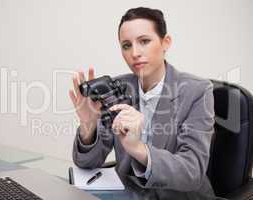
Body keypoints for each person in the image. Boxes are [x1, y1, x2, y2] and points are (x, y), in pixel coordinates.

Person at [69, 7, 215, 194]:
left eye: (144, 41)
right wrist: (88, 126)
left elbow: (192, 172)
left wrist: (138, 148)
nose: (135, 53)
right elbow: (87, 163)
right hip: (128, 193)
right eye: (126, 45)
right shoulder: (117, 87)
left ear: (165, 42)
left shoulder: (197, 91)